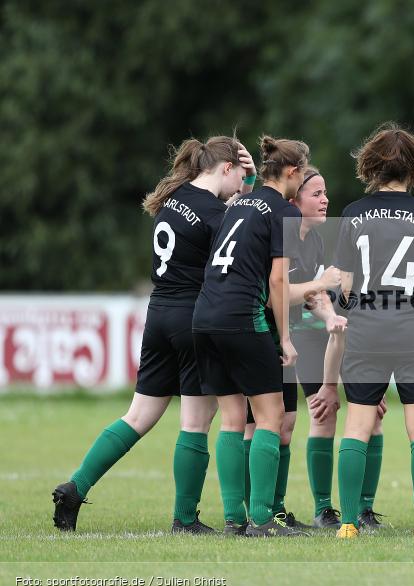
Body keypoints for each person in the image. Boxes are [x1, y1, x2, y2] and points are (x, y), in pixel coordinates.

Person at [51, 136, 252, 534]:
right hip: (192, 319)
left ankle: (76, 487)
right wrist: (255, 181)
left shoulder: (172, 198)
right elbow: (244, 227)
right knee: (196, 421)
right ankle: (186, 518)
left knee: (139, 414)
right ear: (225, 168)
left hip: (158, 314)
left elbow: (234, 207)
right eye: (241, 175)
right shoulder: (215, 213)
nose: (242, 184)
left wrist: (247, 181)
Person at [332, 123, 414, 540]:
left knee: (357, 425)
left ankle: (347, 523)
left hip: (366, 329)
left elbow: (344, 286)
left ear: (369, 164)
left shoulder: (351, 214)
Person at [192, 134, 307, 537]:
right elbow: (277, 279)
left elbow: (255, 202)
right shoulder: (286, 212)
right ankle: (260, 518)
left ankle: (232, 518)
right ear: (293, 171)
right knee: (271, 417)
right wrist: (286, 337)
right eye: (303, 173)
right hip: (243, 317)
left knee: (232, 418)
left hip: (204, 316)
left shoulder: (238, 202)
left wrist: (254, 177)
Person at [285, 165, 386, 529]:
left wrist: (330, 314)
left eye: (325, 192)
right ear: (294, 199)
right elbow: (298, 292)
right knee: (322, 415)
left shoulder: (315, 238)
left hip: (338, 334)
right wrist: (323, 295)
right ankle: (324, 508)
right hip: (306, 338)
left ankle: (364, 508)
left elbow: (321, 295)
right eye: (316, 193)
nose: (325, 199)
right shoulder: (283, 237)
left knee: (372, 415)